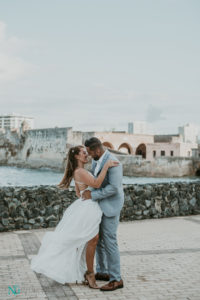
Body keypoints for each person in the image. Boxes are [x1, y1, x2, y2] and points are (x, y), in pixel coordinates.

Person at [30, 145, 118, 289]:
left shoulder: (79, 172)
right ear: (77, 156)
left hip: (85, 206)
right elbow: (96, 183)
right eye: (83, 153)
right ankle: (89, 273)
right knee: (91, 240)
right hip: (88, 208)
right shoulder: (81, 171)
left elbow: (78, 193)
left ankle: (85, 272)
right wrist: (106, 166)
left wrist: (85, 193)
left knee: (89, 240)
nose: (86, 155)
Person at [82, 137, 124, 291]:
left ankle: (116, 279)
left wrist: (92, 196)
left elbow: (114, 188)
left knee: (110, 242)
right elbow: (96, 181)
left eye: (90, 152)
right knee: (98, 240)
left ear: (97, 150)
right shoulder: (96, 161)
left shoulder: (114, 163)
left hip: (111, 207)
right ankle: (103, 271)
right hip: (98, 207)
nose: (89, 155)